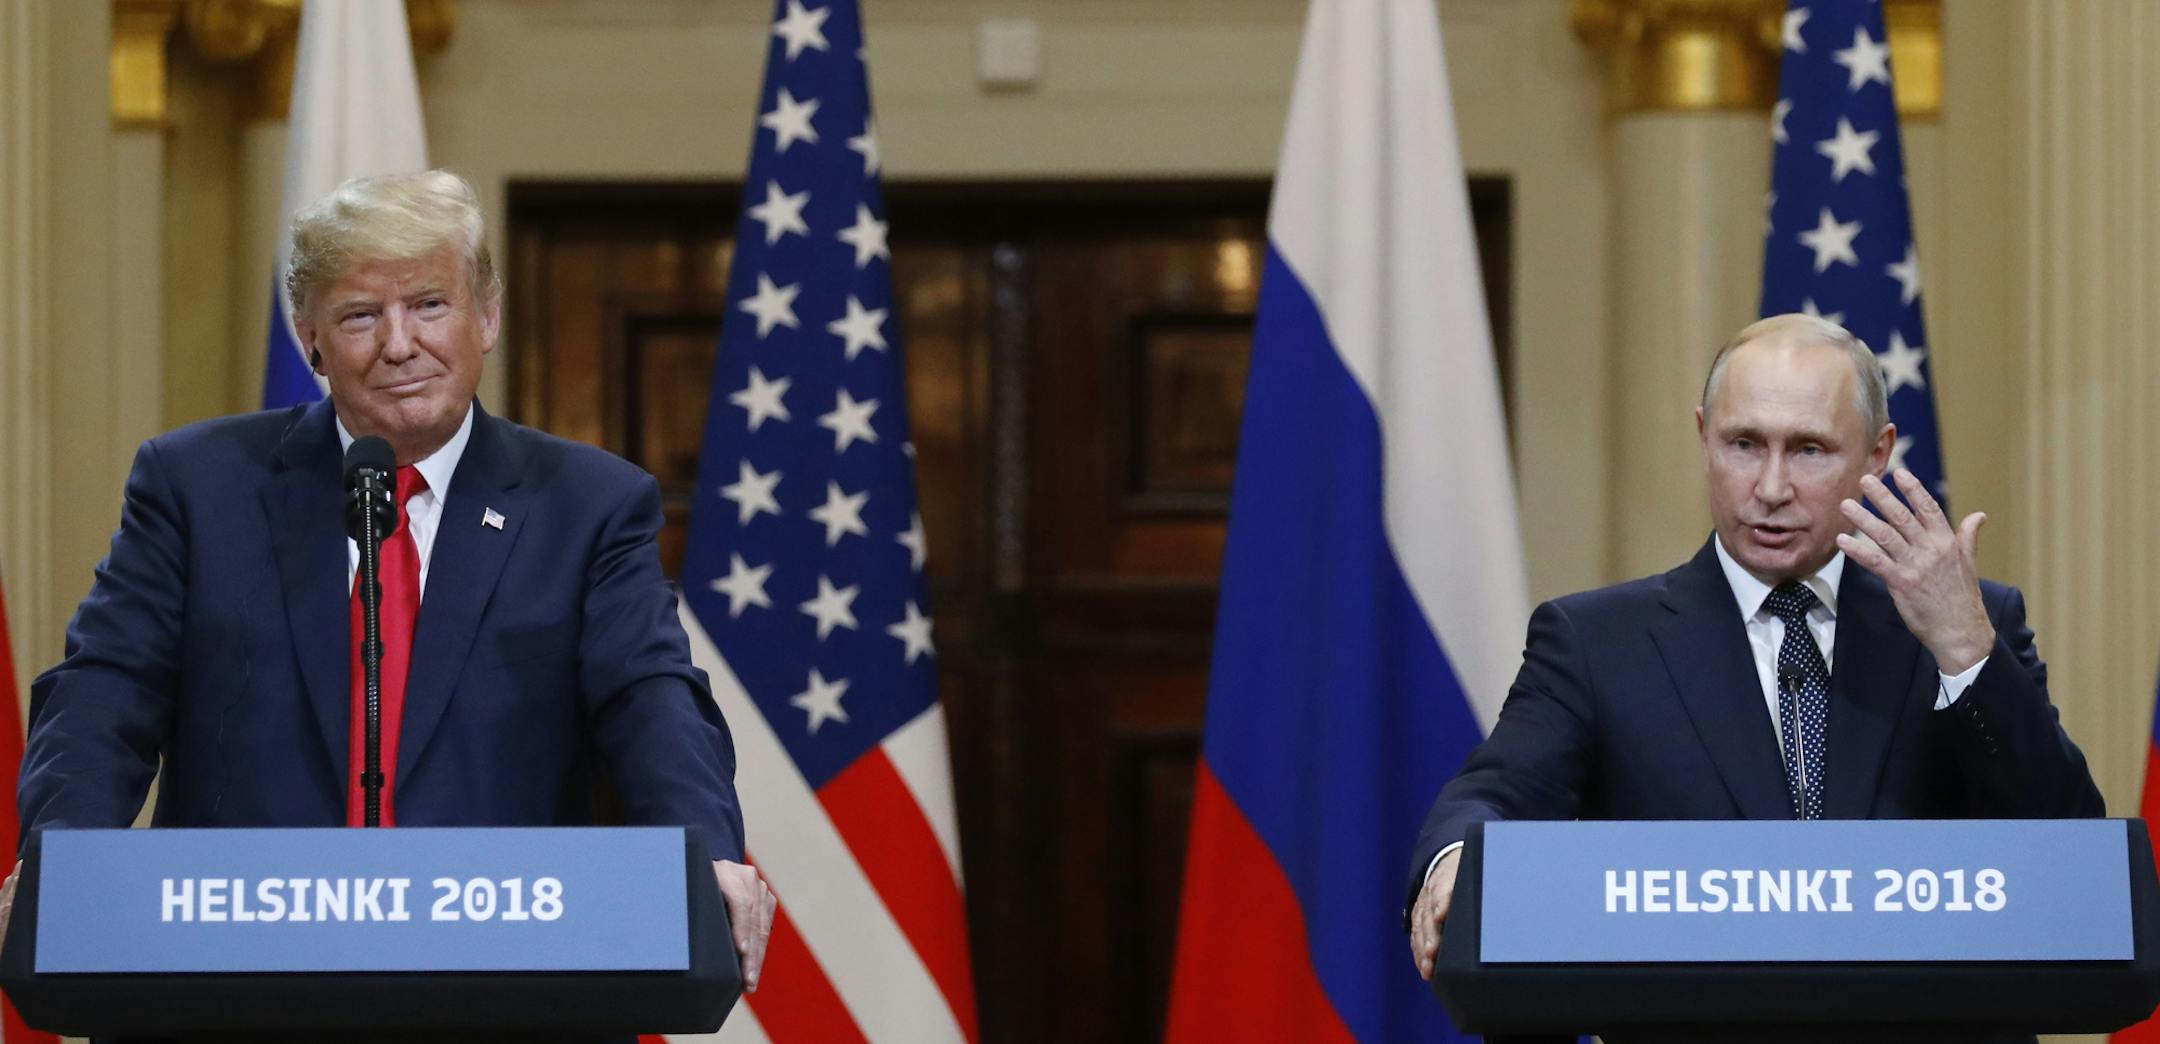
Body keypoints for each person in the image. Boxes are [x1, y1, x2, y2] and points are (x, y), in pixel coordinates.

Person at [3, 171, 774, 998]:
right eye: (360, 316)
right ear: (310, 338)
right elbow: (105, 692)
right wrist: (61, 861)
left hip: (511, 980)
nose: (399, 343)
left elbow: (649, 698)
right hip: (236, 980)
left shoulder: (589, 504)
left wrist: (706, 852)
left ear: (488, 314)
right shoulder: (196, 486)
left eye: (430, 305)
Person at [1405, 313, 2103, 980]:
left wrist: (1965, 653)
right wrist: (1458, 858)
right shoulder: (1597, 643)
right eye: (1744, 445)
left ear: (1878, 453)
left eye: (1809, 449)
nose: (1771, 489)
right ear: (1705, 437)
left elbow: (2070, 856)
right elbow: (1494, 794)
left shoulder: (1971, 623)